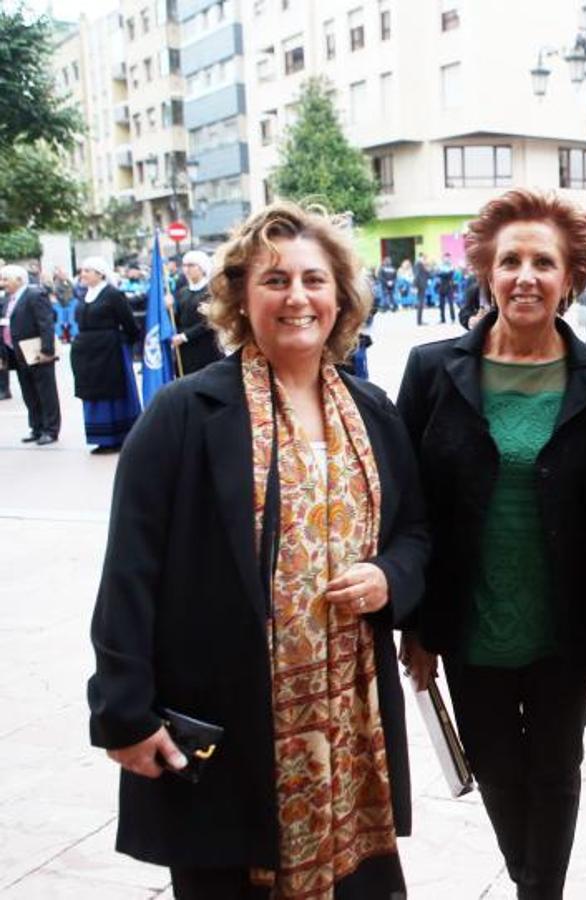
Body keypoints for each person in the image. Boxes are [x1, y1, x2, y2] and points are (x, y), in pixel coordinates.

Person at [87, 201, 430, 898]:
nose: (297, 297)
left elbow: (416, 534)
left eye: (314, 279)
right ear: (242, 298)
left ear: (341, 295)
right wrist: (124, 712)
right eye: (275, 281)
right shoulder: (184, 414)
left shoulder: (373, 411)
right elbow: (130, 567)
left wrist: (388, 575)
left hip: (346, 727)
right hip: (231, 717)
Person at [396, 189, 586, 899]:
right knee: (495, 767)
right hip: (468, 620)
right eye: (510, 261)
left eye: (544, 263)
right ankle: (531, 880)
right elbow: (408, 506)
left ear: (571, 278)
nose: (526, 276)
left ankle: (538, 892)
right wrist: (418, 624)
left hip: (567, 625)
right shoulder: (433, 371)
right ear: (486, 272)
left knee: (556, 768)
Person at [70, 257, 141, 454]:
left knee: (111, 391)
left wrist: (122, 342)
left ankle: (117, 437)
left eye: (87, 271)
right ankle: (99, 437)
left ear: (100, 274)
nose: (83, 274)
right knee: (92, 391)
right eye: (82, 271)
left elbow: (129, 323)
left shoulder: (112, 294)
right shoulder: (84, 294)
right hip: (87, 350)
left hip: (109, 350)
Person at [0, 265, 60, 444]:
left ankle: (50, 429)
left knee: (45, 392)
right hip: (16, 352)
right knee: (29, 392)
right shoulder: (8, 300)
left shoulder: (34, 295)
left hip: (35, 351)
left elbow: (45, 323)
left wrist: (47, 350)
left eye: (5, 279)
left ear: (18, 280)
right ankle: (36, 427)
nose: (2, 283)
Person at [169, 250, 224, 375]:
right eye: (185, 265)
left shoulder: (211, 291)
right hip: (184, 348)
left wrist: (185, 336)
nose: (187, 269)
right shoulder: (182, 292)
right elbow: (176, 318)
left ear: (202, 268)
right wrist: (169, 308)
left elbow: (209, 321)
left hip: (205, 346)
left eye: (191, 265)